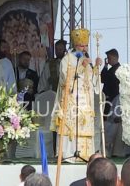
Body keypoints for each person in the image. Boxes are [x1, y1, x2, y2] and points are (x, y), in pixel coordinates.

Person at [50, 28, 102, 162]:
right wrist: (80, 67)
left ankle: (85, 155)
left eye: (86, 45)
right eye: (81, 45)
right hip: (71, 101)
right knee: (71, 127)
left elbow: (92, 82)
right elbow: (64, 80)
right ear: (75, 45)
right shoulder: (67, 59)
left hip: (85, 102)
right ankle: (69, 154)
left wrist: (96, 68)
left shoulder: (87, 59)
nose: (84, 48)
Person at [101, 49, 120, 115]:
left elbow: (103, 78)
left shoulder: (115, 70)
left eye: (109, 58)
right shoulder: (112, 70)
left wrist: (105, 67)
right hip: (111, 99)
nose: (108, 60)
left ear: (115, 57)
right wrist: (106, 66)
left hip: (112, 99)